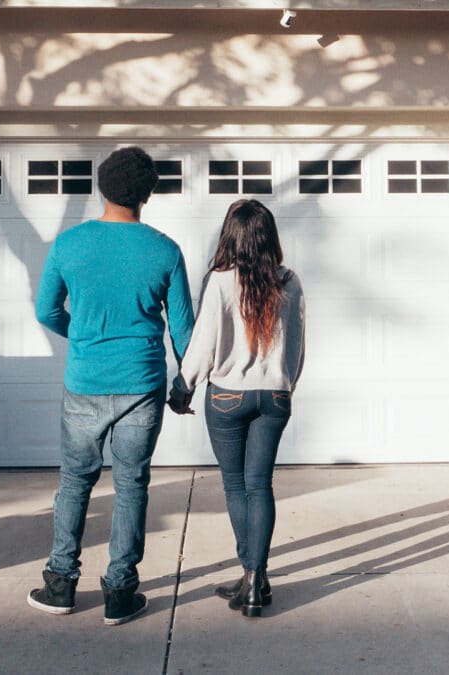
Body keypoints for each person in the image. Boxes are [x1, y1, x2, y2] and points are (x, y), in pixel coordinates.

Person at [29, 146, 195, 626]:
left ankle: (60, 584)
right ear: (148, 193)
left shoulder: (69, 244)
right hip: (141, 384)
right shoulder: (164, 250)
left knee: (75, 482)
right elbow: (183, 331)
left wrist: (80, 335)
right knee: (131, 484)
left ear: (101, 188)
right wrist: (186, 384)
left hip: (85, 382)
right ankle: (121, 592)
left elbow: (45, 311)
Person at [168, 198, 305, 618]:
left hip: (228, 396)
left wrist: (182, 385)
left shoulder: (223, 280)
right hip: (274, 397)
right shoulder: (290, 280)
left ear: (231, 235)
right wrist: (285, 386)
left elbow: (204, 342)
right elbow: (297, 346)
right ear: (269, 236)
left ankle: (250, 576)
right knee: (259, 485)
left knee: (235, 486)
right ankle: (254, 578)